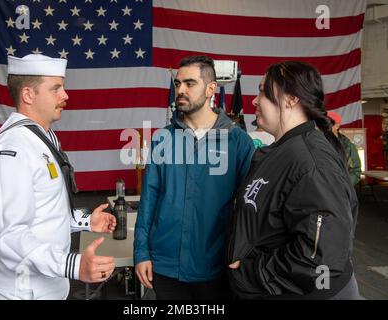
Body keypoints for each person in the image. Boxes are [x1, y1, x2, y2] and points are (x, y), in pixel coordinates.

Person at [0, 54, 117, 300]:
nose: (65, 95)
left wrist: (86, 222)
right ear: (28, 95)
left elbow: (45, 211)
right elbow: (10, 236)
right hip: (24, 290)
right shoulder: (12, 149)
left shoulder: (41, 139)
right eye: (56, 88)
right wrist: (73, 265)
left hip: (50, 284)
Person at [227, 61, 360, 299]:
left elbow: (321, 259)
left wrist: (250, 273)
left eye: (262, 90)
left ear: (290, 99)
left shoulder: (311, 160)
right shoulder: (283, 150)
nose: (255, 100)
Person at [134, 55, 255, 300]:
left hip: (216, 265)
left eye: (190, 84)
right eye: (178, 84)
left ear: (211, 88)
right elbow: (149, 200)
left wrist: (246, 253)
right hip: (165, 264)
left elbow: (252, 205)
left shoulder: (237, 141)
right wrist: (141, 252)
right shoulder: (163, 139)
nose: (181, 90)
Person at [327, 111, 362, 186]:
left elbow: (355, 171)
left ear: (337, 125)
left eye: (327, 124)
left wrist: (343, 185)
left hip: (340, 191)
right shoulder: (317, 143)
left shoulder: (348, 147)